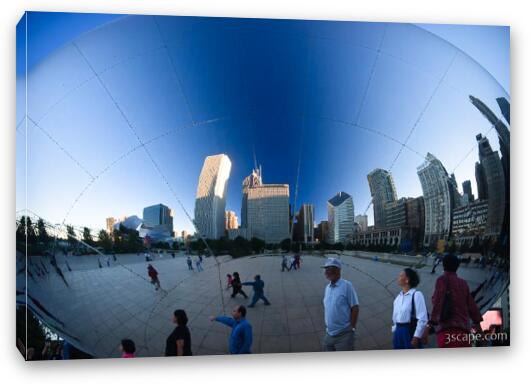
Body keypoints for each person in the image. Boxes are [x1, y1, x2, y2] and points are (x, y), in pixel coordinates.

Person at [422, 254, 484, 348]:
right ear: (457, 266)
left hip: (447, 332)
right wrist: (480, 332)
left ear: (443, 265)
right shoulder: (463, 283)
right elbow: (472, 308)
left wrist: (427, 328)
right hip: (464, 333)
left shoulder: (441, 280)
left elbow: (438, 304)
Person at [321, 258, 359, 351]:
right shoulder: (327, 288)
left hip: (344, 334)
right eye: (326, 269)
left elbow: (355, 307)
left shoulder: (347, 286)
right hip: (329, 333)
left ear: (338, 270)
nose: (327, 271)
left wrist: (352, 328)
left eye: (330, 268)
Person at [392, 268, 428, 349]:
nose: (398, 277)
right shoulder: (398, 297)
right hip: (398, 331)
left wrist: (416, 337)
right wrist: (395, 330)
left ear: (407, 280)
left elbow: (422, 318)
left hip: (409, 331)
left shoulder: (417, 295)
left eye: (401, 275)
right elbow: (395, 316)